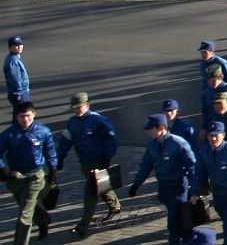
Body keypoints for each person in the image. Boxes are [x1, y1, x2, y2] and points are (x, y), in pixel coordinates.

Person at [57, 92, 121, 237]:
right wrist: (60, 157)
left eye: (79, 107)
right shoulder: (72, 122)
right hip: (85, 162)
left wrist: (107, 156)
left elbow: (111, 140)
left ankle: (82, 226)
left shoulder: (99, 121)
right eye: (74, 107)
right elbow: (66, 141)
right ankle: (115, 206)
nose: (76, 110)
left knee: (90, 194)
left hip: (98, 161)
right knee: (101, 186)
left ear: (87, 105)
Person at [129, 114, 196, 245]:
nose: (148, 131)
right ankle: (189, 238)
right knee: (182, 221)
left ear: (161, 128)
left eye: (151, 129)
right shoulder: (152, 145)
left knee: (173, 223)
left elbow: (192, 167)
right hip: (164, 189)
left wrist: (194, 190)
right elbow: (146, 165)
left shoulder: (179, 144)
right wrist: (136, 184)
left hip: (179, 189)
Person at [0, 101, 56, 244]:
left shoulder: (43, 131)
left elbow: (50, 152)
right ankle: (43, 219)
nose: (25, 119)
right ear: (16, 117)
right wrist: (3, 170)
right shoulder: (9, 134)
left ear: (34, 114)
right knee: (26, 206)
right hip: (16, 179)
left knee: (24, 214)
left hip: (35, 178)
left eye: (28, 116)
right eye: (21, 116)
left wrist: (53, 170)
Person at [4, 36, 29, 114]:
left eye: (20, 44)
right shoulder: (13, 61)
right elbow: (15, 80)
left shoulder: (14, 58)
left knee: (19, 116)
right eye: (15, 45)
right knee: (23, 116)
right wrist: (18, 95)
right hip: (21, 93)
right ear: (10, 47)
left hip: (21, 92)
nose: (19, 47)